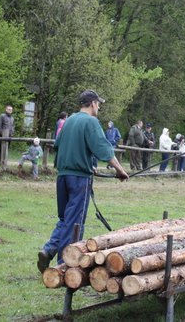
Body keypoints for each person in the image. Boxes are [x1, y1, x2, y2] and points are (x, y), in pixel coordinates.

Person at [37, 90, 128, 273]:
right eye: (98, 103)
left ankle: (49, 249)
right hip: (79, 179)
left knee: (65, 218)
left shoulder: (69, 120)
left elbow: (59, 145)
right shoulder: (91, 121)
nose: (99, 107)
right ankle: (65, 264)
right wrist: (121, 171)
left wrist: (87, 163)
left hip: (62, 176)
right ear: (93, 103)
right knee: (75, 222)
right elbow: (104, 149)